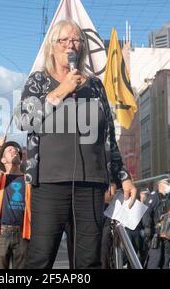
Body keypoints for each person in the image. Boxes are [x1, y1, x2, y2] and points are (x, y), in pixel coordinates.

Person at [16, 19, 137, 269]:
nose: (71, 45)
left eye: (77, 40)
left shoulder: (94, 85)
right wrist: (61, 90)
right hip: (49, 183)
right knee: (41, 257)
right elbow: (24, 120)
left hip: (91, 185)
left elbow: (107, 137)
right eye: (65, 40)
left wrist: (123, 176)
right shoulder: (38, 81)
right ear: (53, 46)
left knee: (89, 260)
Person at [0, 136, 29, 269]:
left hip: (23, 234)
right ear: (3, 159)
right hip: (2, 234)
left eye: (16, 150)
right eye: (9, 150)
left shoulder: (28, 180)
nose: (14, 151)